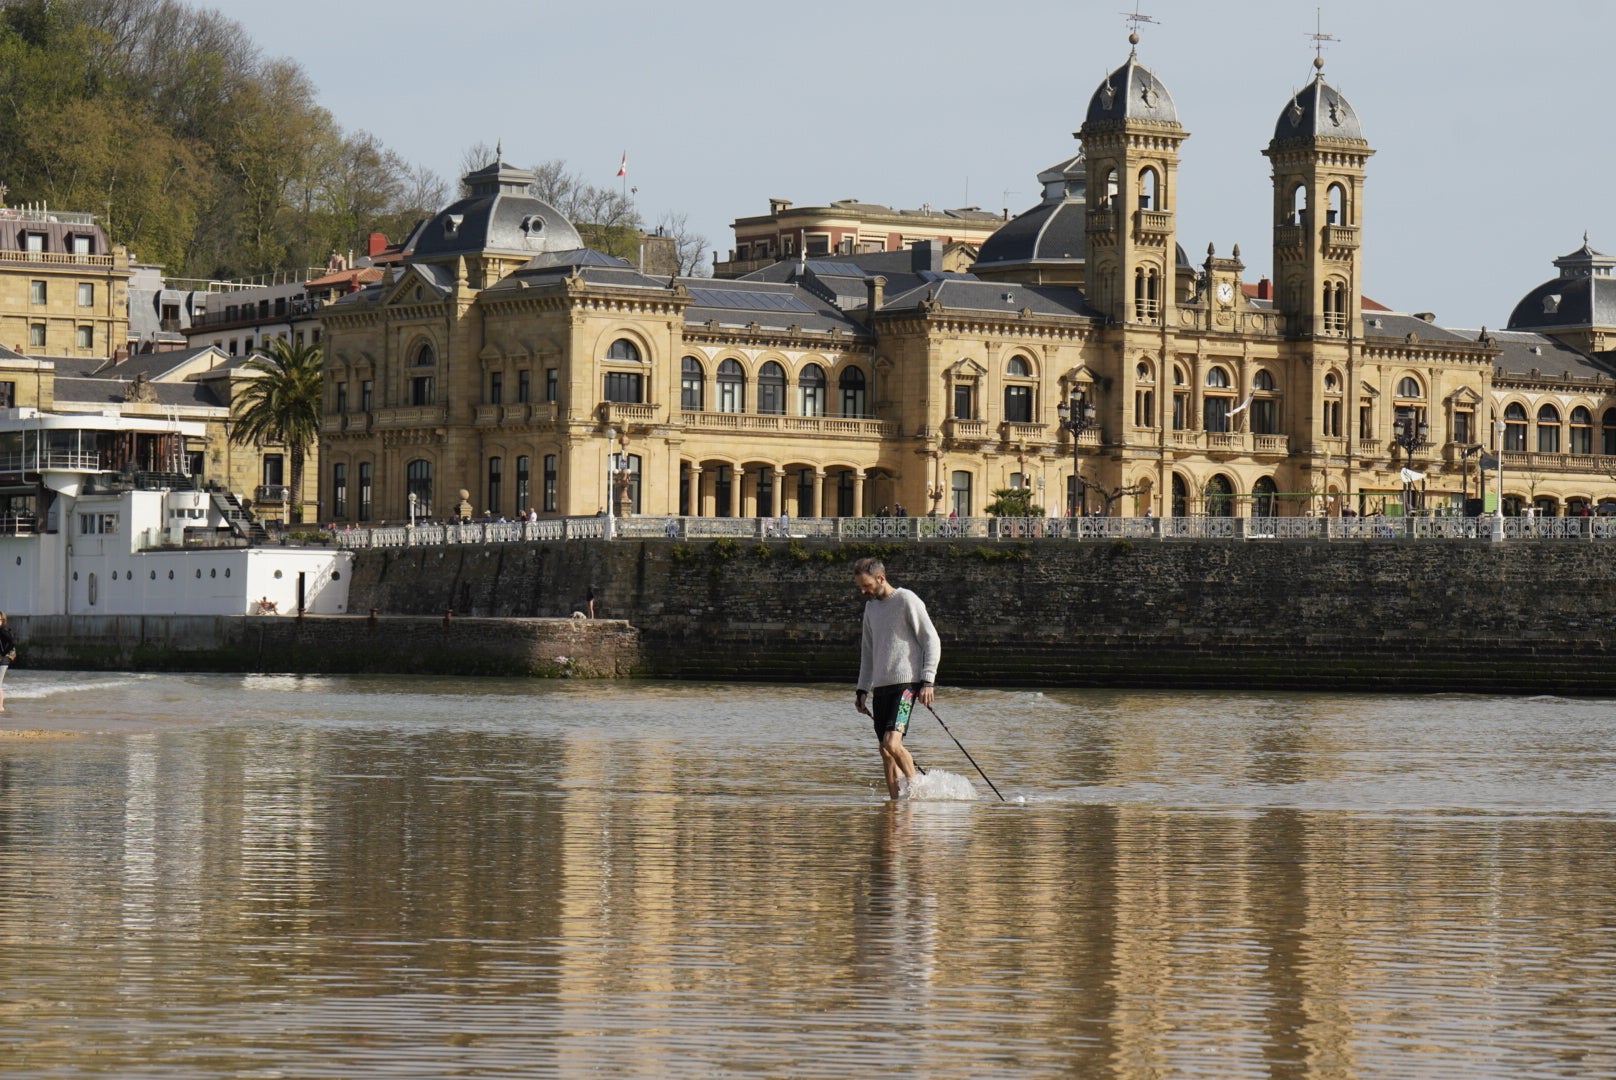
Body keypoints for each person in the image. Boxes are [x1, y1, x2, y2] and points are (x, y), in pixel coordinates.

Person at [852, 557, 940, 799]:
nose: (863, 591)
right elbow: (867, 652)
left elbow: (931, 639)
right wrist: (862, 690)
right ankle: (894, 807)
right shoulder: (871, 608)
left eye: (866, 586)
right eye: (860, 586)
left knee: (892, 743)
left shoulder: (906, 600)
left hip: (907, 686)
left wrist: (928, 680)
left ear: (881, 578)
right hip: (881, 688)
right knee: (885, 751)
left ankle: (916, 794)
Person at [0, 611, 15, 714]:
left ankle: (0, 707)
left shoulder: (3, 631)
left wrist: (3, 654)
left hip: (3, 660)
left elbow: (13, 643)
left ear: (3, 620)